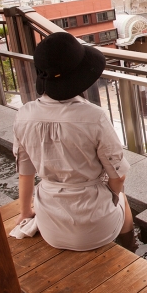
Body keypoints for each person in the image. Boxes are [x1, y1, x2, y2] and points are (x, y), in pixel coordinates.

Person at [13, 32, 134, 251]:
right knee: (123, 200)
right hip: (97, 225)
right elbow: (119, 176)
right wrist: (111, 196)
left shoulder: (23, 115)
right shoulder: (94, 117)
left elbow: (25, 172)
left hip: (51, 227)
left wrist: (25, 213)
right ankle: (130, 247)